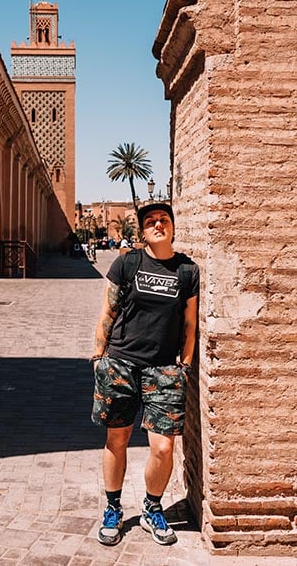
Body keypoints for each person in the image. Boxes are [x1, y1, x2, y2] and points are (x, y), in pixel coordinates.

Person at [90, 202, 199, 547]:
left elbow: (190, 322)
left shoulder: (186, 271)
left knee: (164, 447)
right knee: (117, 439)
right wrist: (98, 355)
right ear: (142, 230)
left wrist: (185, 362)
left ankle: (152, 507)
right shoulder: (129, 263)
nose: (157, 224)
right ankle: (113, 508)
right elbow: (108, 309)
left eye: (163, 219)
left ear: (172, 226)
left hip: (164, 368)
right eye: (150, 221)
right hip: (120, 362)